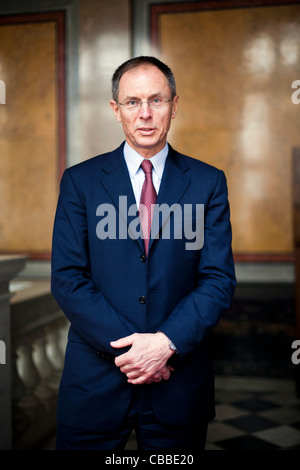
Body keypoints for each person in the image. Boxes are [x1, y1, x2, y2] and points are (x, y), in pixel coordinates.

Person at [51, 56, 236, 451]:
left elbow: (217, 279)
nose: (146, 114)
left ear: (175, 105)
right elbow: (68, 278)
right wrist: (138, 352)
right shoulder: (80, 182)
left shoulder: (208, 183)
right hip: (95, 386)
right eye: (133, 102)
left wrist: (165, 344)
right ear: (116, 110)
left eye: (157, 100)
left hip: (179, 384)